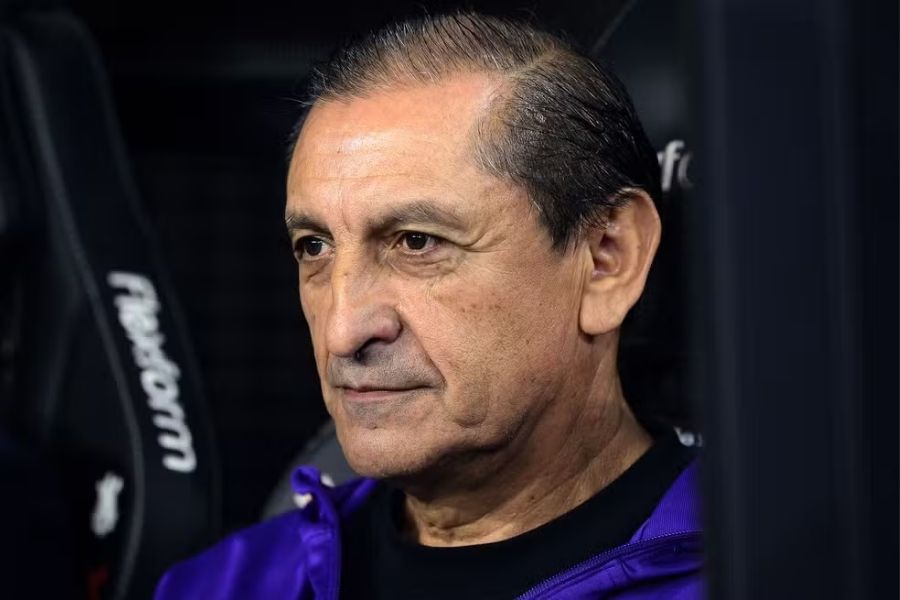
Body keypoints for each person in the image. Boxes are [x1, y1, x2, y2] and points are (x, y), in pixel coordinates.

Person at [155, 11, 703, 599]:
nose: (342, 331)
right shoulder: (221, 586)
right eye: (314, 247)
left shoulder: (759, 570)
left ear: (606, 260)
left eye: (417, 242)